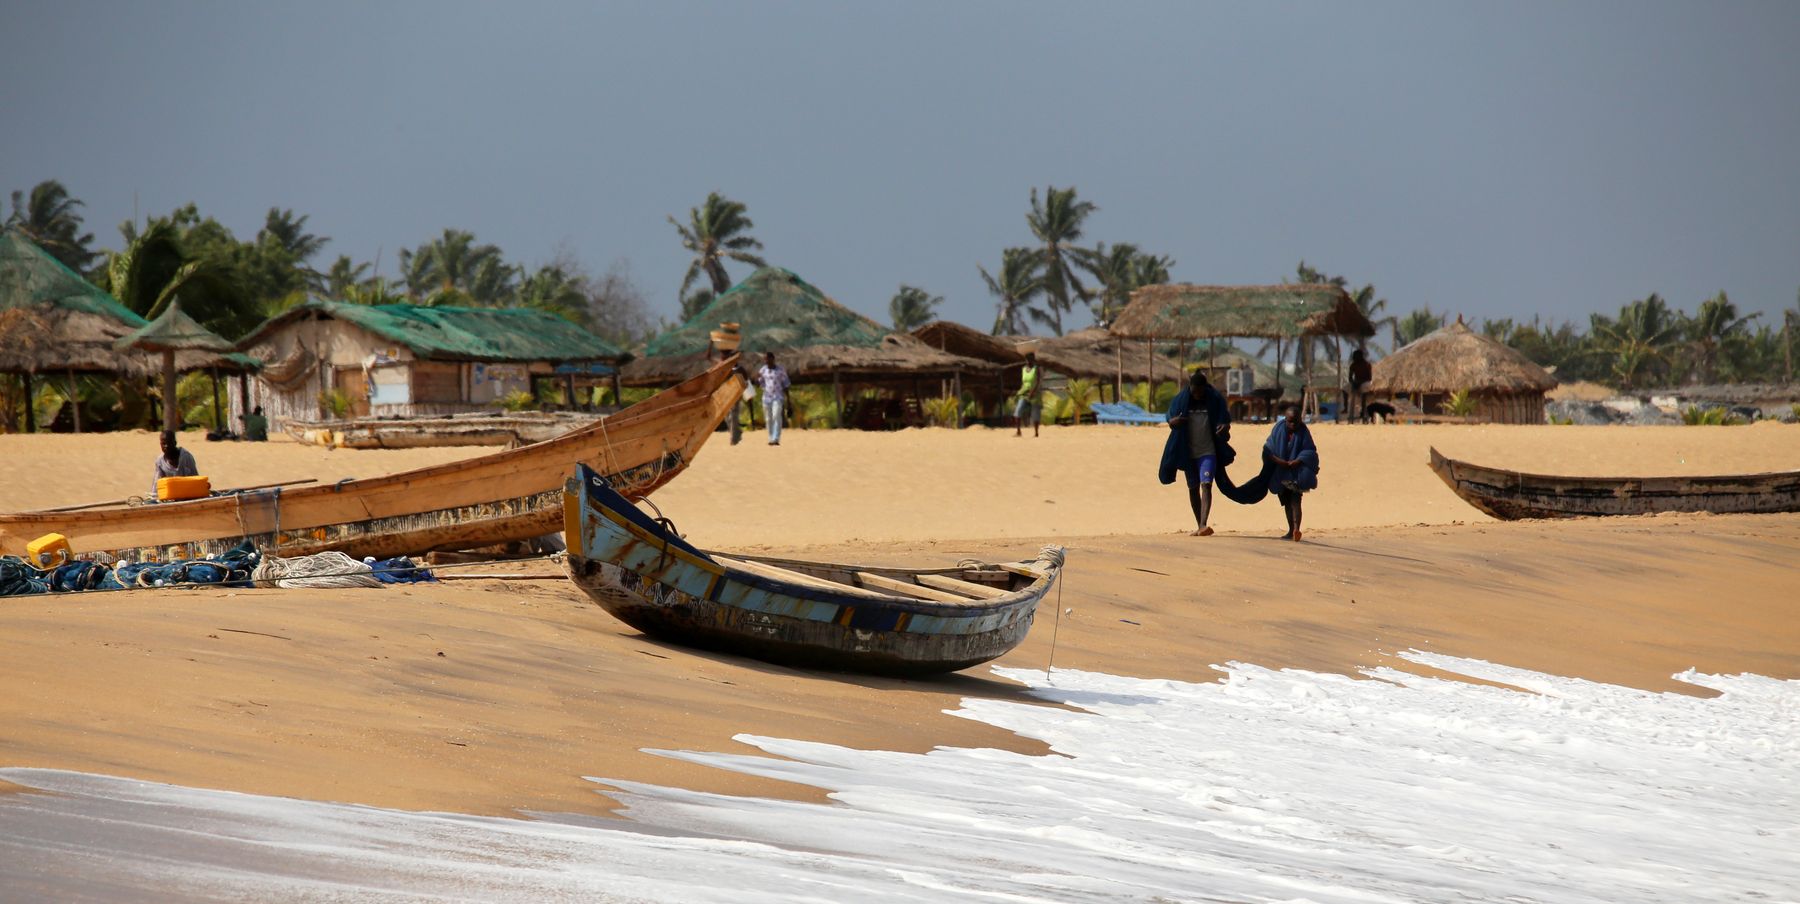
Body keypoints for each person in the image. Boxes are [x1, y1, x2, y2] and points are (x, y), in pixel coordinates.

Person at [1161, 369, 1231, 536]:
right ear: (1190, 388)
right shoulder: (1181, 400)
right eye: (1195, 391)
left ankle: (1203, 523)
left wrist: (1225, 426)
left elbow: (1224, 419)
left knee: (1206, 484)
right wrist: (1173, 421)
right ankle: (1199, 525)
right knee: (1193, 488)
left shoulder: (1214, 400)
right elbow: (1170, 418)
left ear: (1205, 388)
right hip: (1188, 453)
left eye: (1201, 391)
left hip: (1208, 451)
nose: (1198, 394)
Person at [1265, 404, 1320, 541]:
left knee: (1296, 501)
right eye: (1290, 421)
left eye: (1296, 421)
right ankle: (1291, 530)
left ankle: (1296, 529)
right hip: (1281, 473)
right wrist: (1279, 461)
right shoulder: (1278, 429)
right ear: (1285, 419)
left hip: (1297, 474)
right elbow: (1269, 448)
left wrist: (1298, 460)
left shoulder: (1303, 432)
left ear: (1301, 420)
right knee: (1287, 503)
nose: (1293, 424)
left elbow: (1310, 451)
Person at [757, 351, 791, 445]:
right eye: (765, 359)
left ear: (773, 359)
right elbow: (760, 382)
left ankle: (776, 438)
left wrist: (788, 400)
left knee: (776, 415)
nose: (766, 361)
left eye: (767, 359)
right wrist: (758, 380)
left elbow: (786, 385)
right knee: (768, 418)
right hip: (766, 398)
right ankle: (771, 437)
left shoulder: (780, 370)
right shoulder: (763, 370)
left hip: (778, 397)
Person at [153, 430, 198, 497]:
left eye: (169, 443)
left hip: (188, 495)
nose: (166, 446)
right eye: (163, 444)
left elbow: (195, 479)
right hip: (170, 497)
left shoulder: (186, 457)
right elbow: (157, 484)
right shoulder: (160, 461)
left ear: (175, 443)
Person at [1012, 352, 1041, 437]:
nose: (1028, 361)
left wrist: (1033, 391)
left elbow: (1038, 381)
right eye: (1027, 359)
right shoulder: (1023, 369)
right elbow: (1023, 382)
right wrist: (1021, 391)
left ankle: (1036, 432)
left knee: (1035, 413)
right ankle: (1018, 431)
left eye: (1030, 359)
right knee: (1017, 412)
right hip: (1024, 392)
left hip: (1034, 393)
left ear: (1033, 359)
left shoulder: (1036, 368)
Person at [1348, 348, 1373, 421]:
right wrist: (1353, 382)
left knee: (1364, 390)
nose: (1355, 358)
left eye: (1356, 356)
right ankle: (1347, 409)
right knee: (1344, 389)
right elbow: (1350, 377)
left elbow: (1369, 377)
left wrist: (1360, 382)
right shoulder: (1353, 365)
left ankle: (1363, 410)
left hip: (1365, 382)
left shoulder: (1367, 365)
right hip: (1356, 382)